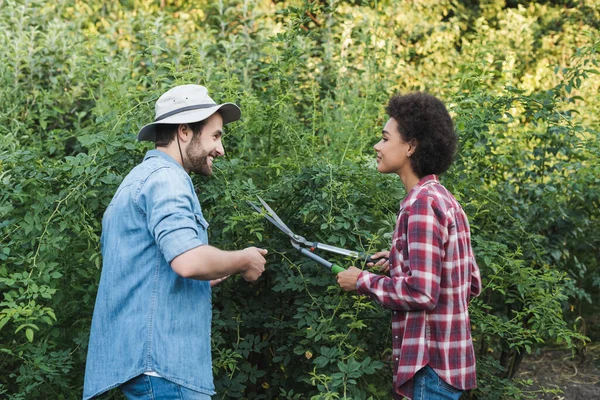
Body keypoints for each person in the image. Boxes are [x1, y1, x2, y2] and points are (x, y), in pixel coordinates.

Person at [83, 84, 268, 400]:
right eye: (216, 136)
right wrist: (245, 259)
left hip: (152, 367)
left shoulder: (140, 180)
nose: (221, 149)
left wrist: (204, 278)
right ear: (184, 131)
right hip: (164, 368)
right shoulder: (167, 180)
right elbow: (188, 261)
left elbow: (153, 272)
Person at [336, 92, 482, 400]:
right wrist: (400, 259)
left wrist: (361, 281)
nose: (377, 146)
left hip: (429, 368)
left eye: (385, 138)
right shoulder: (442, 198)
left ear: (411, 146)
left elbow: (423, 293)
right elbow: (468, 281)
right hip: (446, 365)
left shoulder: (421, 205)